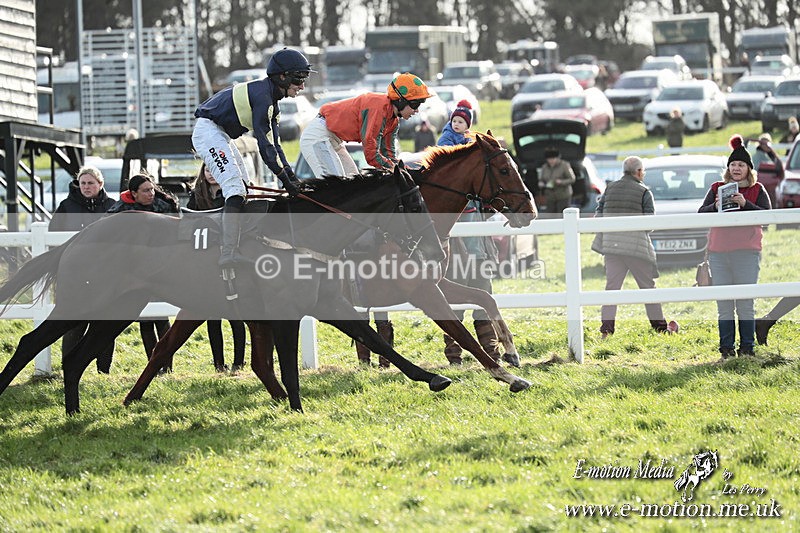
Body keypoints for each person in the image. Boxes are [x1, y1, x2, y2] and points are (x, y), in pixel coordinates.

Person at [192, 47, 313, 289]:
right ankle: (228, 253)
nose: (302, 86)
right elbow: (265, 149)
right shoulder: (263, 98)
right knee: (235, 189)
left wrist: (292, 179)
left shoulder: (272, 103)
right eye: (298, 79)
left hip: (221, 134)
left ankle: (242, 242)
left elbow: (277, 148)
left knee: (246, 187)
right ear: (282, 77)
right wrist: (286, 182)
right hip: (208, 132)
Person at [435, 101, 501, 364]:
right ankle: (454, 354)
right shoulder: (449, 191)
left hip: (479, 253)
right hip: (457, 257)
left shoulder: (478, 186)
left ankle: (491, 351)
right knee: (454, 302)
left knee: (484, 296)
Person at [698, 135, 771, 360]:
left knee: (746, 303)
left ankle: (747, 348)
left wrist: (745, 204)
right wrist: (715, 206)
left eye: (741, 165)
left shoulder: (758, 189)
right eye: (733, 165)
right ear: (728, 168)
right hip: (719, 254)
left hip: (747, 253)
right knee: (724, 304)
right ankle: (726, 349)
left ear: (749, 169)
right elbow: (700, 214)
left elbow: (768, 218)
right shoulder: (716, 188)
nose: (736, 168)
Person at [592, 156, 678, 338]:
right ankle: (660, 328)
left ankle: (606, 330)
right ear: (639, 172)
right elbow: (649, 224)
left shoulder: (610, 188)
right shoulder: (644, 191)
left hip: (612, 247)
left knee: (611, 289)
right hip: (636, 249)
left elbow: (598, 216)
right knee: (648, 288)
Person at [108, 173, 180, 371]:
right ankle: (153, 364)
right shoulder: (119, 210)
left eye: (152, 189)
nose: (151, 194)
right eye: (146, 191)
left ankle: (167, 365)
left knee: (162, 317)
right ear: (134, 193)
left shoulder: (165, 206)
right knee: (145, 319)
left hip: (161, 268)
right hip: (134, 272)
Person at [299, 72, 432, 177]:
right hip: (318, 136)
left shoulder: (393, 121)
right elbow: (371, 155)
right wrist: (397, 170)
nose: (416, 110)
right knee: (336, 187)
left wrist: (404, 170)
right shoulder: (378, 108)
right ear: (401, 100)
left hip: (335, 140)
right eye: (415, 104)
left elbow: (389, 156)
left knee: (353, 183)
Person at [50, 165, 117, 373]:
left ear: (100, 184)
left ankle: (103, 370)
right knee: (73, 323)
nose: (86, 187)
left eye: (91, 183)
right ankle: (67, 368)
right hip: (75, 273)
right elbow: (54, 237)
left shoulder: (113, 206)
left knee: (105, 323)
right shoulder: (66, 206)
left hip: (106, 273)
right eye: (83, 183)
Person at [187, 163, 247, 371]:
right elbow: (189, 220)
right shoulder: (196, 195)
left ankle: (239, 362)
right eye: (207, 170)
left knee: (235, 314)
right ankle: (218, 363)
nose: (211, 174)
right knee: (212, 316)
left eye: (214, 169)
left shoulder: (231, 193)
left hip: (229, 255)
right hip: (206, 256)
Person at [538, 146, 575, 218]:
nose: (551, 161)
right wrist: (541, 183)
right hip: (550, 197)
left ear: (557, 158)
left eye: (553, 158)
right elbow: (541, 179)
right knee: (550, 217)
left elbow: (572, 179)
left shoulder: (564, 165)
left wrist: (561, 182)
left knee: (562, 216)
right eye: (549, 159)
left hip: (563, 196)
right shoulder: (544, 167)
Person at [750, 133, 784, 208]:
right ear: (759, 144)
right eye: (763, 143)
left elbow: (780, 171)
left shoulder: (772, 156)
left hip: (772, 186)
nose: (765, 146)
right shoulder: (757, 157)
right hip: (760, 186)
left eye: (767, 143)